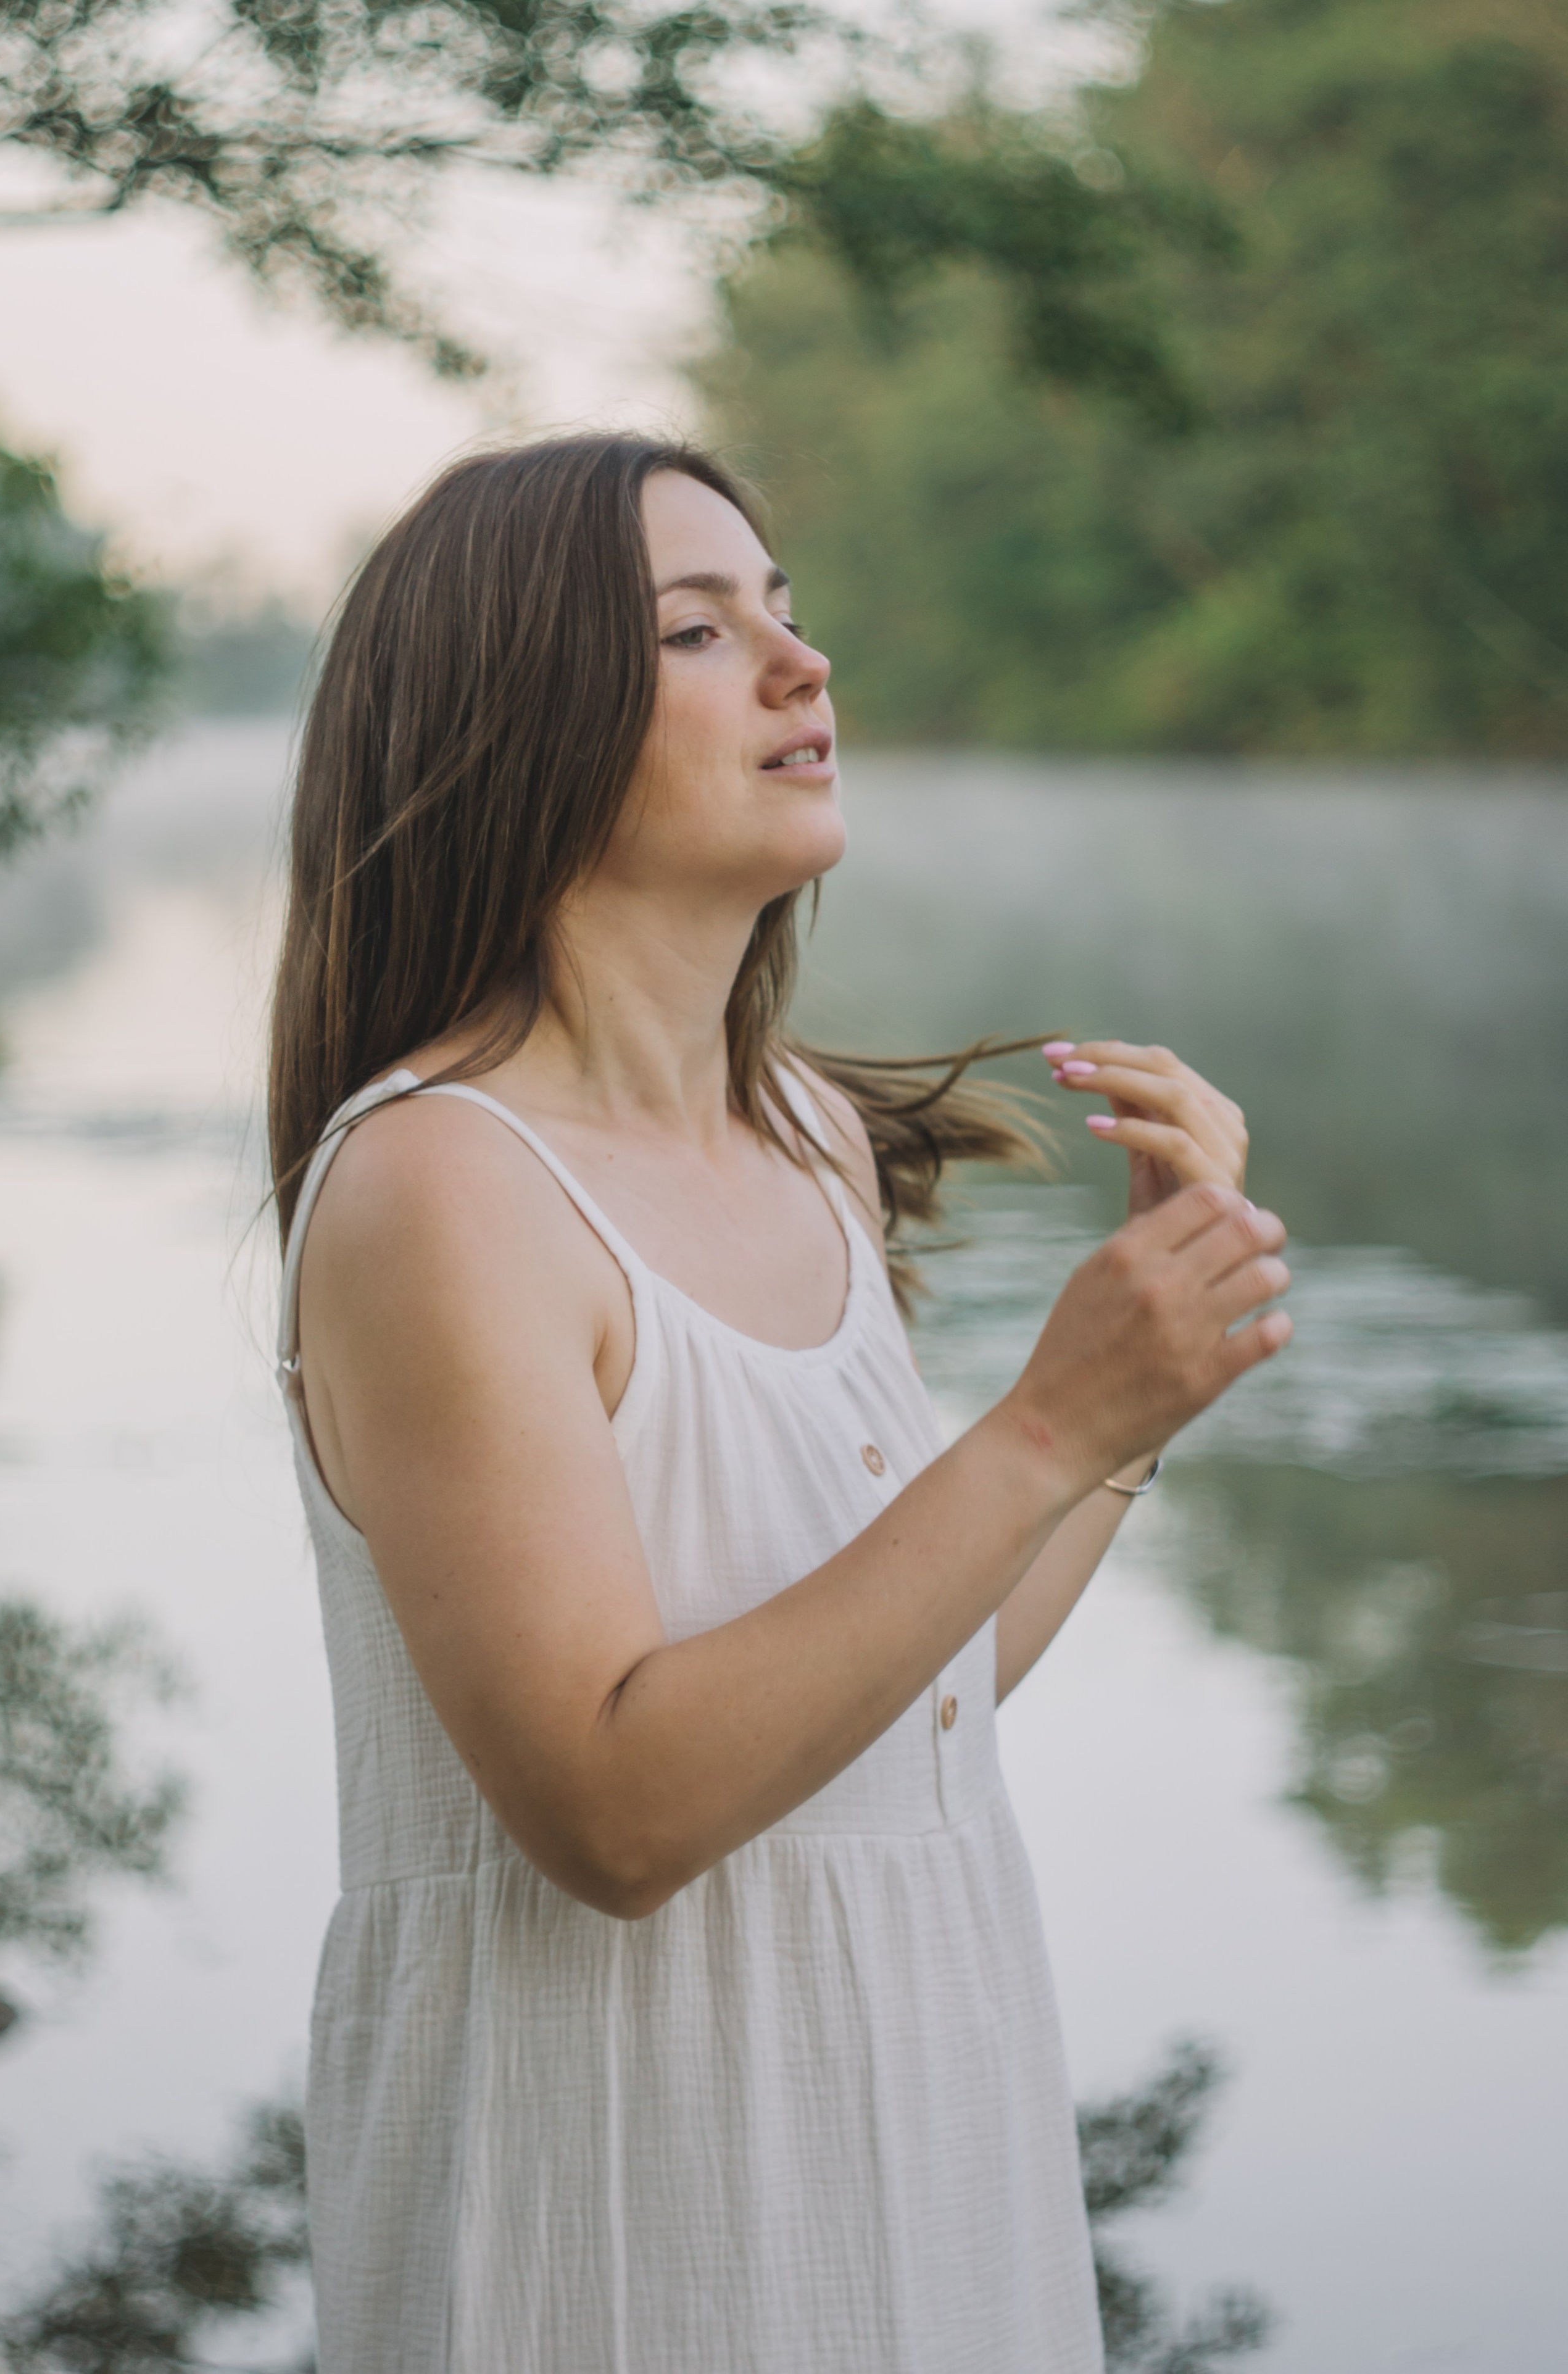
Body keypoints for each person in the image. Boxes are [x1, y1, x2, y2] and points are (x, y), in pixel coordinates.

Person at [267, 434, 1291, 2374]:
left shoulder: (808, 1140)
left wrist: (1138, 1404)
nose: (802, 667)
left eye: (787, 614)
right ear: (518, 725)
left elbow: (912, 1694)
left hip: (926, 2162)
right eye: (699, 631)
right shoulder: (441, 1186)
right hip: (618, 2226)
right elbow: (613, 1810)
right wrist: (1048, 1425)